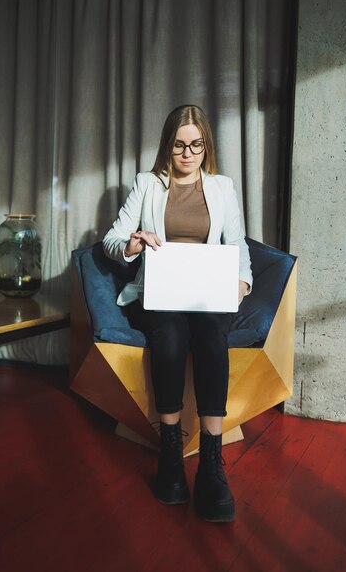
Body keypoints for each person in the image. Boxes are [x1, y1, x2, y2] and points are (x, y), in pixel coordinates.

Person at [102, 104, 252, 522]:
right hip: (161, 294)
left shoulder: (222, 187)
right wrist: (133, 243)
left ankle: (210, 464)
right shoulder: (147, 184)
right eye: (179, 145)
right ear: (167, 146)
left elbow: (238, 244)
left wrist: (241, 282)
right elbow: (111, 241)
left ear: (206, 146)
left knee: (209, 337)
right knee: (168, 336)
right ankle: (170, 454)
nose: (187, 154)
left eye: (196, 145)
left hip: (207, 296)